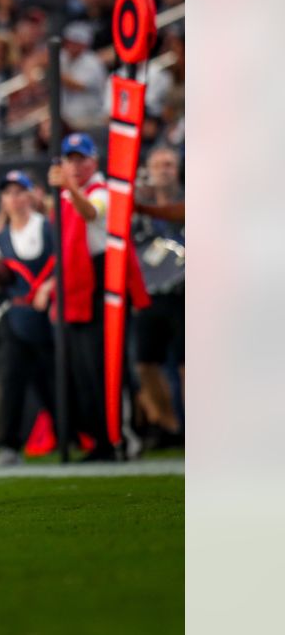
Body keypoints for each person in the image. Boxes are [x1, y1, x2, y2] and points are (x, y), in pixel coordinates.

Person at [40, 133, 150, 460]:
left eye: (80, 159)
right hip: (78, 283)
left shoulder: (102, 191)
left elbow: (90, 212)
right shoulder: (66, 196)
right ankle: (100, 438)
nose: (74, 166)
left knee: (108, 364)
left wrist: (67, 188)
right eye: (69, 160)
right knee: (84, 369)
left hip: (104, 281)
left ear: (94, 161)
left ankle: (121, 436)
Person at [0, 171, 57, 466]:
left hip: (48, 314)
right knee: (12, 379)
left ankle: (72, 434)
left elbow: (64, 259)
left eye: (19, 192)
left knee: (52, 379)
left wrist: (49, 286)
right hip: (18, 314)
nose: (14, 199)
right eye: (8, 193)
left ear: (31, 195)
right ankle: (9, 444)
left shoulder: (48, 227)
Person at [132, 146, 185, 448]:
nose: (164, 169)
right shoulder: (139, 206)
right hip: (149, 293)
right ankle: (169, 426)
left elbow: (182, 213)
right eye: (159, 164)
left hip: (185, 292)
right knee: (145, 363)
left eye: (169, 164)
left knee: (187, 362)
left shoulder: (188, 197)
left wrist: (142, 208)